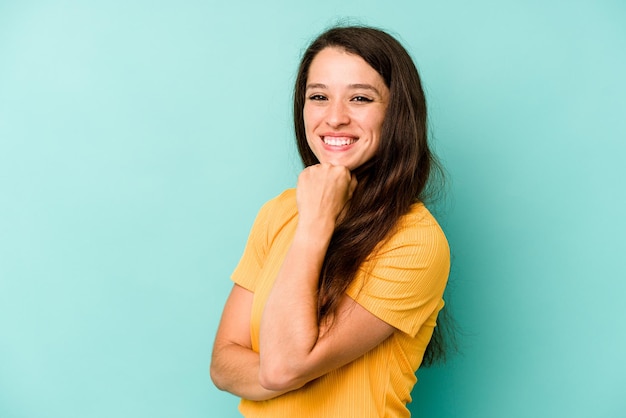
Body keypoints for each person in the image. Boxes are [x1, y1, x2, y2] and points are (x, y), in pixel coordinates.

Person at [210, 25, 452, 417]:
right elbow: (222, 362)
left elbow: (282, 365)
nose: (335, 118)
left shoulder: (415, 241)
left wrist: (314, 226)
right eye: (319, 97)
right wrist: (283, 372)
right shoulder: (278, 212)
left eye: (360, 98)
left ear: (396, 113)